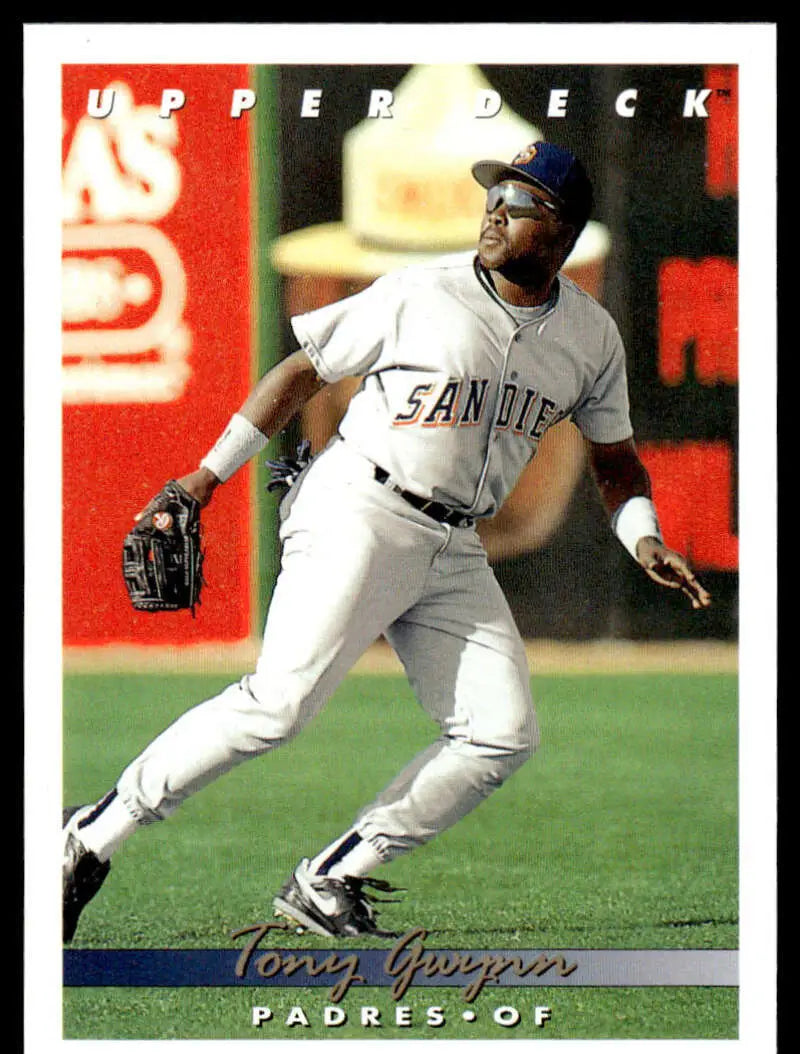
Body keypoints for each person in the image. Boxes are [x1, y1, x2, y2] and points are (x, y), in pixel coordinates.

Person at [63, 141, 711, 944]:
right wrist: (204, 479)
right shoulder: (420, 291)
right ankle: (90, 837)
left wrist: (642, 538)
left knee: (500, 733)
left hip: (452, 544)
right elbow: (300, 372)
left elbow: (615, 462)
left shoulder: (590, 337)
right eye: (493, 198)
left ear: (563, 228)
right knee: (278, 707)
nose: (494, 213)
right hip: (359, 506)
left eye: (518, 204)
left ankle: (332, 876)